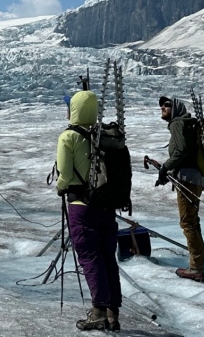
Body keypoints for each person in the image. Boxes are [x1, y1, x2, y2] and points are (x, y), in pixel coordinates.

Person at [56, 90, 122, 331]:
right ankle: (113, 313)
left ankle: (98, 313)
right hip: (106, 206)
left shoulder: (69, 137)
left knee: (90, 257)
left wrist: (61, 188)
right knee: (107, 258)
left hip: (82, 207)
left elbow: (64, 173)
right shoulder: (103, 135)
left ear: (74, 110)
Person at [154, 96, 204, 283]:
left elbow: (181, 151)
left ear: (175, 108)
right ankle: (197, 263)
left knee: (187, 223)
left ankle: (196, 268)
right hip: (196, 178)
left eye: (167, 105)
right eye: (161, 105)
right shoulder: (187, 125)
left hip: (186, 179)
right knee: (193, 221)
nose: (163, 107)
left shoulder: (177, 124)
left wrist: (165, 167)